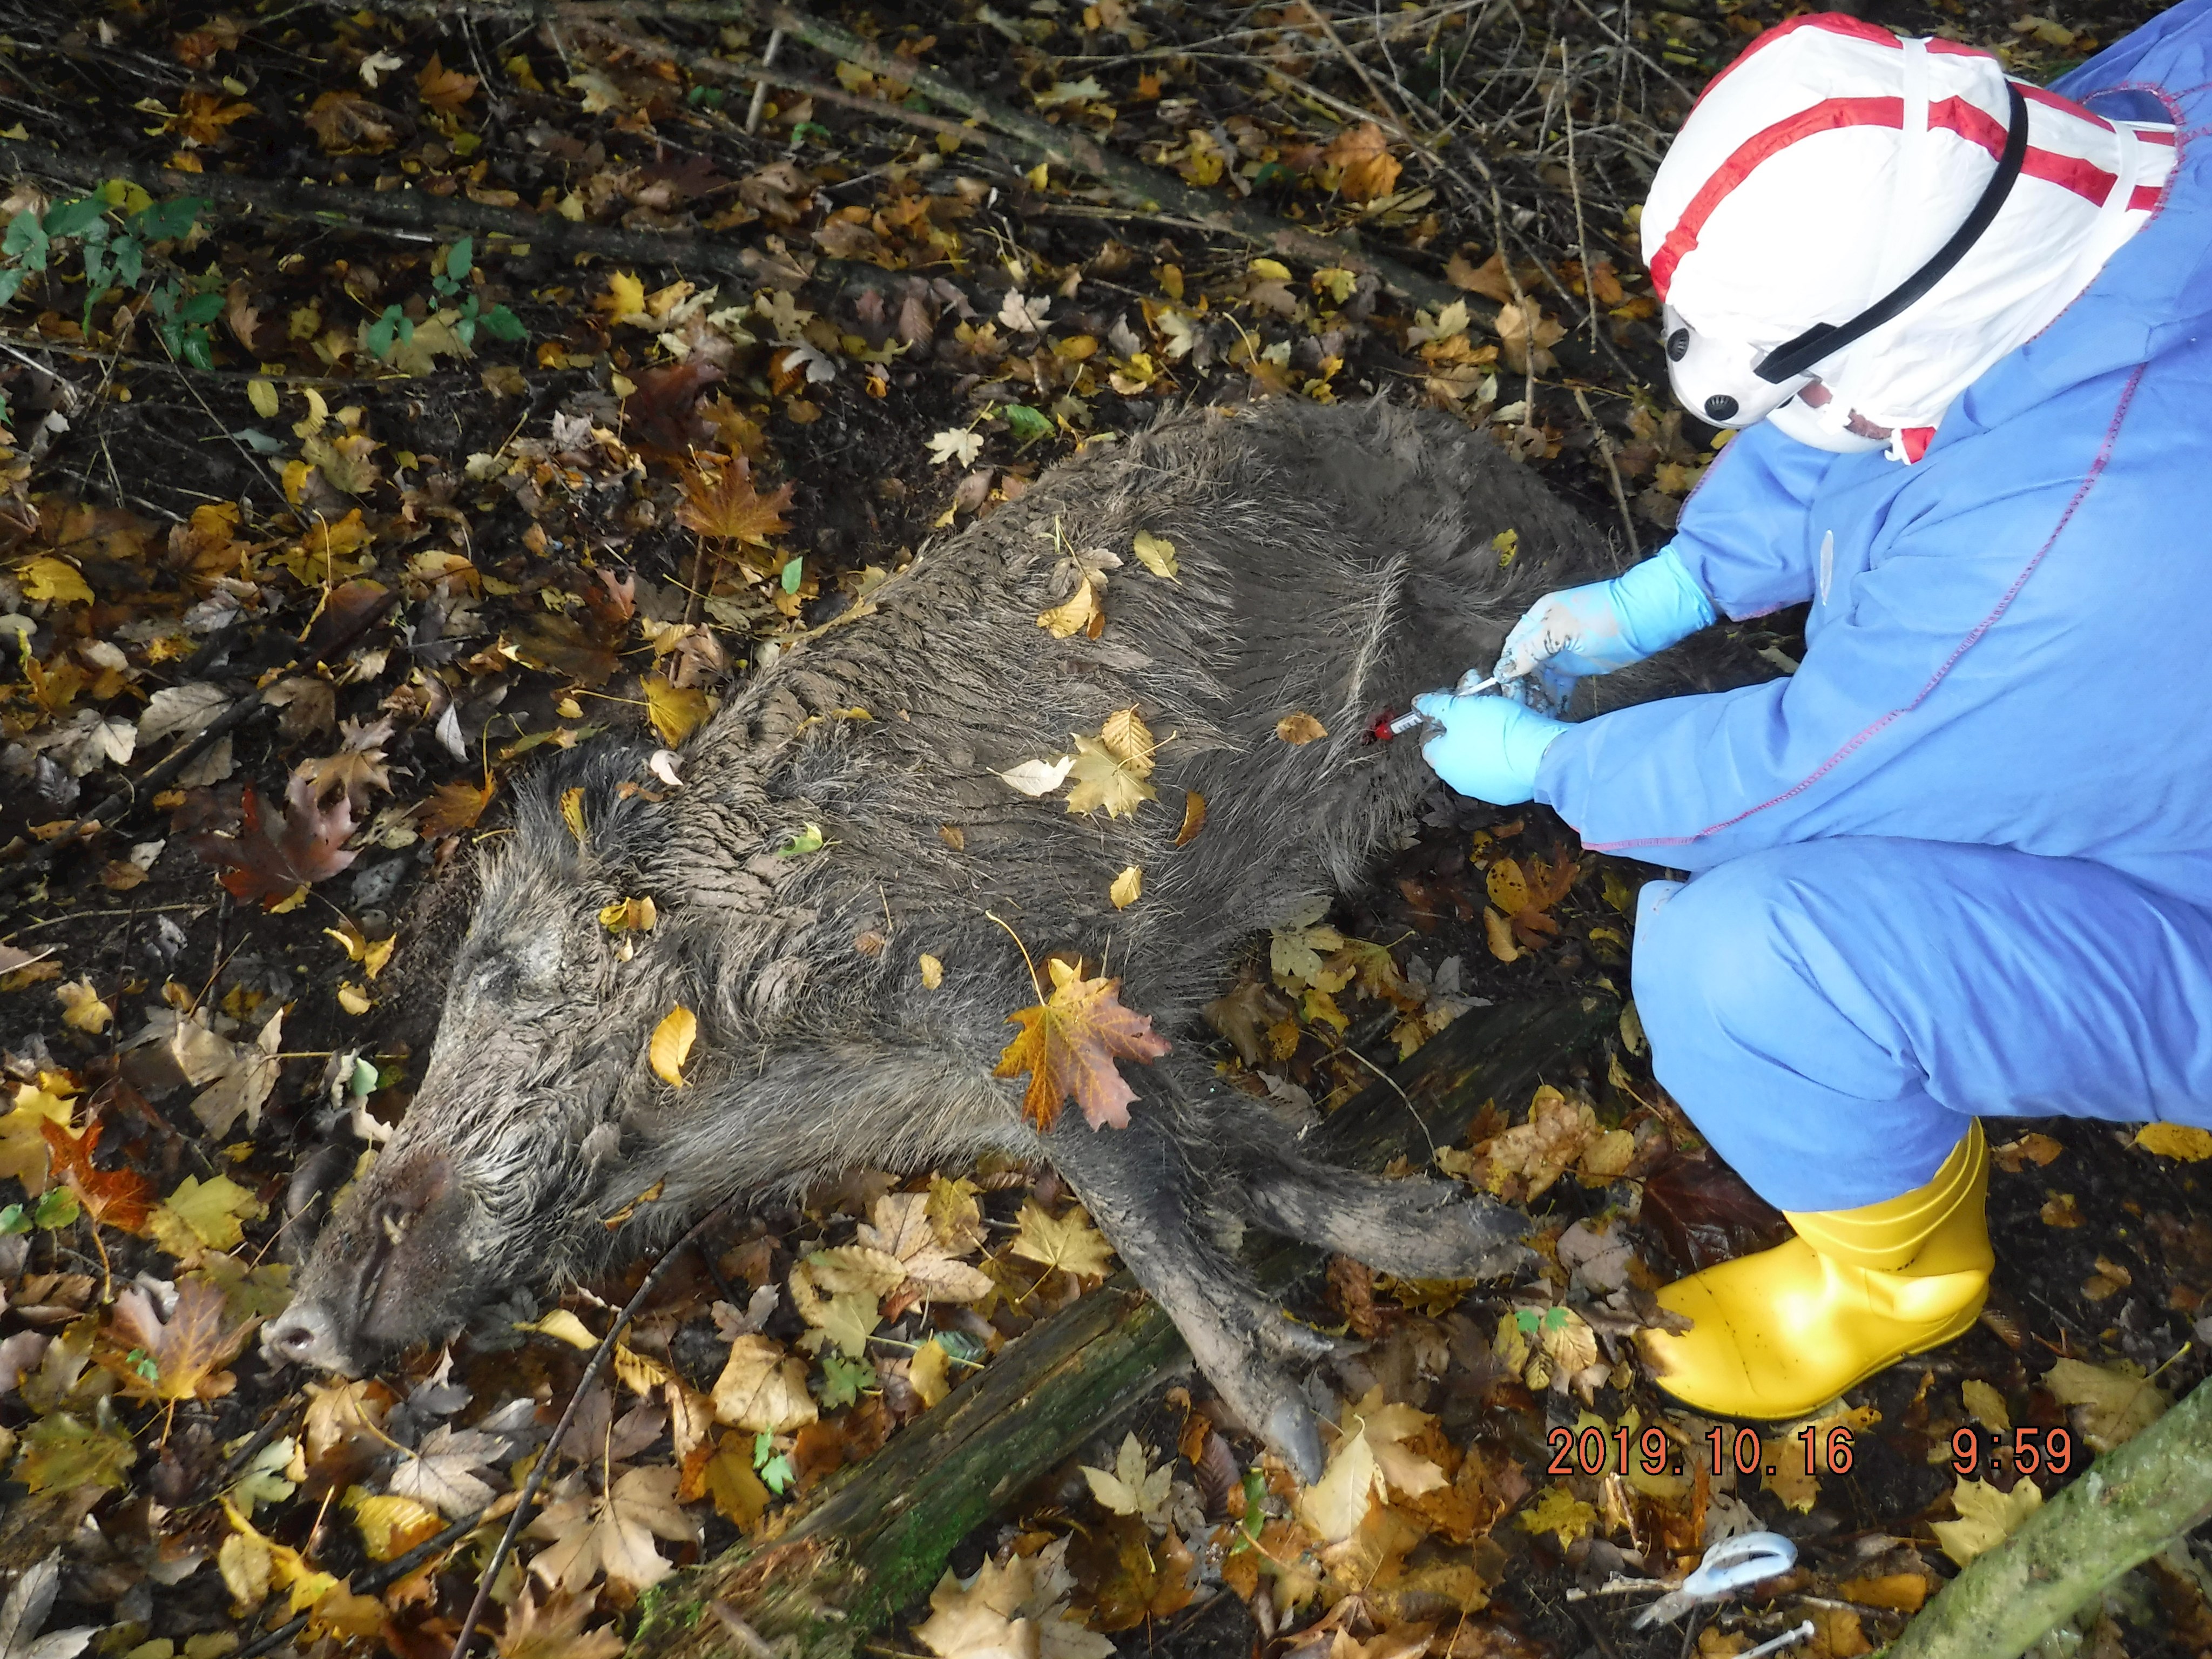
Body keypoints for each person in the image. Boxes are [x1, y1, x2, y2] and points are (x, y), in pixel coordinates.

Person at [1414, 2, 2212, 1420]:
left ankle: (1899, 1284)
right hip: (2139, 711)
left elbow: (1805, 776)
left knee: (1747, 965)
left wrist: (1555, 763)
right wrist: (1680, 586)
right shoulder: (2125, 139)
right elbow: (1887, 391)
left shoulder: (2064, 552)